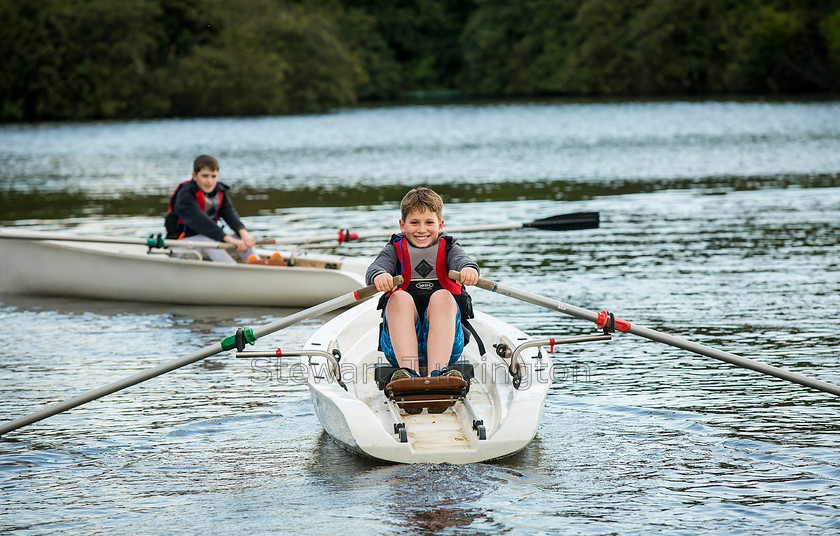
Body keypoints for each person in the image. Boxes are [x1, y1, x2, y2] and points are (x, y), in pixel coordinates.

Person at [366, 187, 480, 392]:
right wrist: (380, 276)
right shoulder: (393, 249)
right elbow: (375, 269)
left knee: (443, 296)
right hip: (397, 349)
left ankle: (438, 373)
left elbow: (465, 261)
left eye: (429, 222)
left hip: (448, 348)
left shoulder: (449, 248)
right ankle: (408, 374)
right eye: (414, 223)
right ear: (402, 225)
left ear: (440, 224)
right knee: (399, 297)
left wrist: (468, 270)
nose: (421, 230)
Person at [164, 154, 260, 263]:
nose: (210, 181)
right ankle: (233, 269)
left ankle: (258, 265)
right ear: (194, 176)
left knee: (240, 238)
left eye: (213, 176)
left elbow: (232, 217)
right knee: (206, 239)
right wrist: (230, 240)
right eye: (205, 176)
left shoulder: (219, 192)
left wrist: (245, 236)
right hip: (180, 245)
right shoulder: (185, 196)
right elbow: (203, 224)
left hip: (209, 243)